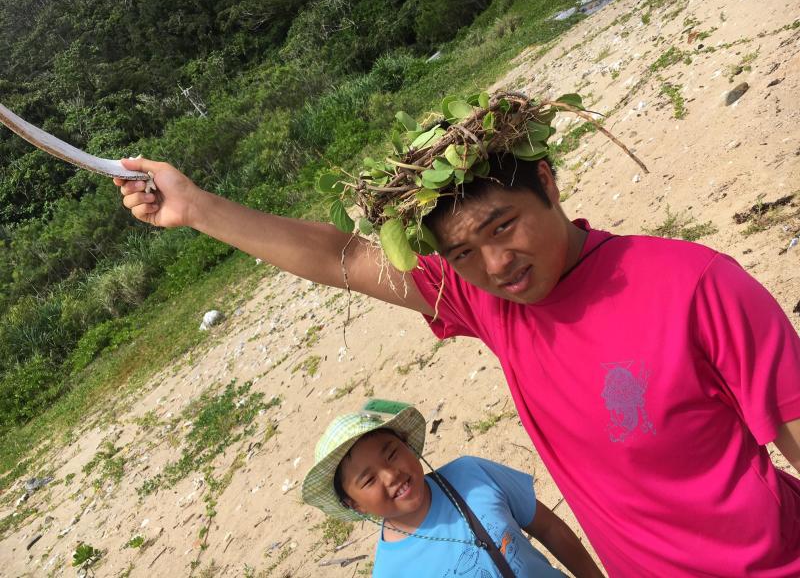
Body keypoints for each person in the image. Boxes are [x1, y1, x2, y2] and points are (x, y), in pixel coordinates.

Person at [115, 140, 800, 574]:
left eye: (504, 226)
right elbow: (341, 256)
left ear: (548, 182)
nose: (497, 264)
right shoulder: (490, 303)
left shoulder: (693, 284)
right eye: (464, 252)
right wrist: (197, 207)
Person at [301, 399, 604, 577]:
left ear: (408, 446)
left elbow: (550, 529)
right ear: (355, 505)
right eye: (368, 480)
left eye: (392, 453)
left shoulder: (472, 474)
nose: (391, 475)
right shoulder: (391, 571)